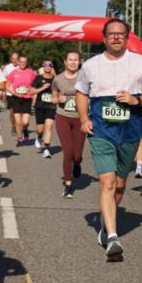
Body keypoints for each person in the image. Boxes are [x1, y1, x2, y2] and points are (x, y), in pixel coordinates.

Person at [76, 18, 142, 261]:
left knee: (120, 185)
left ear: (127, 37)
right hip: (101, 130)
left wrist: (136, 100)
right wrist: (83, 119)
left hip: (130, 131)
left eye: (120, 34)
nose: (115, 38)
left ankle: (105, 223)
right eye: (111, 34)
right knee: (107, 183)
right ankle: (112, 237)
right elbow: (81, 92)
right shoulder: (91, 65)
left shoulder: (141, 63)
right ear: (103, 38)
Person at [52, 50, 84, 198]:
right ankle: (68, 184)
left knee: (77, 155)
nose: (73, 62)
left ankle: (77, 164)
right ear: (65, 61)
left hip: (80, 118)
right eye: (70, 59)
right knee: (68, 151)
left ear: (79, 61)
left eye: (76, 60)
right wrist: (59, 98)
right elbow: (53, 98)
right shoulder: (58, 79)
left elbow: (92, 95)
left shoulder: (84, 78)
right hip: (63, 117)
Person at [6, 54, 35, 147]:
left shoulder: (31, 72)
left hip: (27, 99)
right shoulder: (13, 73)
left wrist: (34, 97)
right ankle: (19, 138)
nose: (23, 63)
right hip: (16, 98)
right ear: (18, 62)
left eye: (25, 62)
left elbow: (35, 86)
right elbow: (7, 86)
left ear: (27, 63)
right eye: (21, 62)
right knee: (18, 121)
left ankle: (25, 129)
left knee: (25, 122)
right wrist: (15, 93)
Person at [32, 59, 57, 158]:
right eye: (45, 65)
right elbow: (32, 91)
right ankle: (38, 137)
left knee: (49, 126)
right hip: (40, 106)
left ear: (52, 67)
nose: (47, 66)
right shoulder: (38, 78)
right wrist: (43, 87)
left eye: (49, 65)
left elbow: (60, 91)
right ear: (43, 66)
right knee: (40, 129)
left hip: (51, 106)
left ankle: (46, 149)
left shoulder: (56, 79)